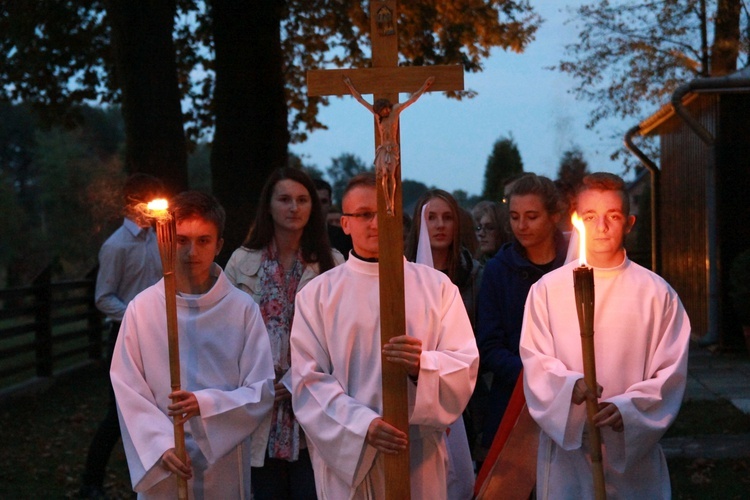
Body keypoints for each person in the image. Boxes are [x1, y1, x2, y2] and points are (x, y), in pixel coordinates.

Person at [290, 173, 479, 499]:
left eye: (384, 213)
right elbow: (307, 381)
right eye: (364, 214)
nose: (376, 223)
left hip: (416, 452)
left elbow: (464, 362)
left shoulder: (436, 288)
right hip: (349, 454)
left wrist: (423, 367)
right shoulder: (318, 294)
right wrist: (362, 425)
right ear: (345, 223)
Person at [520, 172, 691, 498]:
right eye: (591, 217)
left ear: (629, 222)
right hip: (570, 452)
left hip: (631, 455)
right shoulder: (547, 291)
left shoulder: (657, 295)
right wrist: (570, 386)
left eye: (612, 217)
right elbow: (536, 361)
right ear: (578, 222)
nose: (601, 227)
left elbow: (670, 373)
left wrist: (629, 409)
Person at [110, 191, 276, 498]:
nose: (191, 252)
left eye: (203, 240)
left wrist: (206, 404)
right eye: (182, 239)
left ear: (219, 246)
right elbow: (127, 387)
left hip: (223, 461)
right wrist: (160, 444)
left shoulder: (241, 309)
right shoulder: (143, 309)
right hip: (165, 460)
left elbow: (261, 389)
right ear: (167, 241)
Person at [225, 168, 344, 499]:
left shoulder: (331, 262)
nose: (294, 207)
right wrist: (258, 382)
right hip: (260, 403)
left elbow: (339, 337)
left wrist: (299, 380)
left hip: (312, 405)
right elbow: (228, 335)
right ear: (269, 206)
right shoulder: (242, 261)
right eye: (285, 199)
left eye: (303, 200)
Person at [79, 173, 164, 499]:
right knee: (119, 413)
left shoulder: (160, 239)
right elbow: (103, 296)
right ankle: (91, 482)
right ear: (131, 203)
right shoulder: (116, 246)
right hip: (125, 338)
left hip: (160, 335)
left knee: (159, 407)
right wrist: (135, 315)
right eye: (147, 201)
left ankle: (154, 479)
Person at [475, 174, 568, 458]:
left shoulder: (575, 263)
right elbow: (489, 346)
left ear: (554, 216)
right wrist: (535, 376)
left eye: (531, 216)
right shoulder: (498, 270)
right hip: (514, 398)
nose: (522, 226)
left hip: (571, 396)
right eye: (515, 217)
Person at [405, 189, 482, 499]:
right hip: (419, 389)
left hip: (467, 385)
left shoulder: (475, 275)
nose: (439, 225)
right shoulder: (406, 278)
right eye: (430, 218)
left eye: (447, 218)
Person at [342, 75, 434, 215]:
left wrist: (425, 86)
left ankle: (391, 202)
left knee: (391, 176)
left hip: (392, 150)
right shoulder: (378, 116)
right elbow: (360, 99)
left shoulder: (395, 111)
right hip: (383, 150)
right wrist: (349, 85)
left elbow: (412, 99)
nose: (385, 112)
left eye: (385, 109)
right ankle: (387, 203)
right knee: (384, 177)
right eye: (382, 111)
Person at [312, 177, 353, 258]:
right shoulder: (295, 237)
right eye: (315, 201)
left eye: (323, 201)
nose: (319, 207)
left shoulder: (345, 238)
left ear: (330, 203)